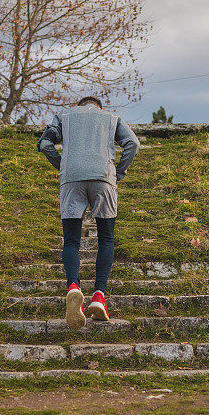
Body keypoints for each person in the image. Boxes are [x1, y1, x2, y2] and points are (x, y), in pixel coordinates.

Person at [36, 96, 140, 330]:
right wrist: (119, 172)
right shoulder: (111, 118)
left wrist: (61, 165)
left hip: (71, 180)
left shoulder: (64, 116)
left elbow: (45, 144)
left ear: (79, 105)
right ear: (98, 107)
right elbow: (133, 144)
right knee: (106, 238)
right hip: (104, 178)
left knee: (71, 240)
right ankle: (99, 296)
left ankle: (73, 286)